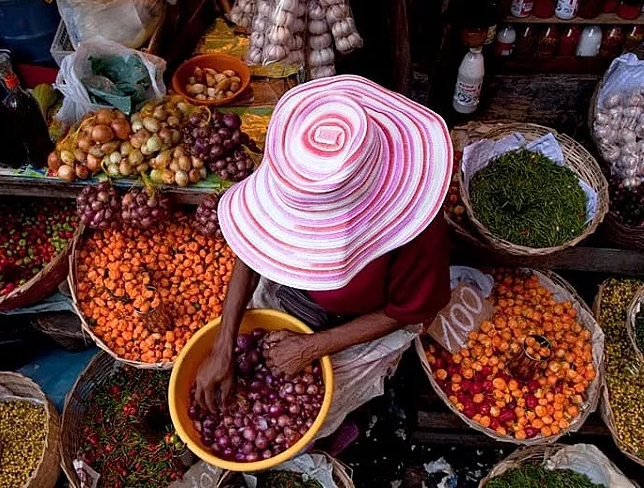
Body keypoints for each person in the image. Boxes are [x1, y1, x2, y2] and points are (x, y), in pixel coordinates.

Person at [193, 75, 454, 434]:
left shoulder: (416, 231)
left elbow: (407, 310)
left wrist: (312, 347)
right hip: (305, 295)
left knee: (323, 411)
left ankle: (348, 429)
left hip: (366, 316)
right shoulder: (296, 165)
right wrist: (224, 343)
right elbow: (253, 247)